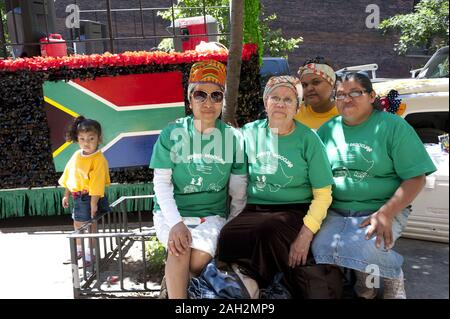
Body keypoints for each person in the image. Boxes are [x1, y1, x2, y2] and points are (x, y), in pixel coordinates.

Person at [311, 72, 437, 299]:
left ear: (371, 96)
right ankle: (364, 286)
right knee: (320, 249)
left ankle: (392, 277)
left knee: (366, 246)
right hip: (336, 210)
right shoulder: (328, 130)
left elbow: (417, 178)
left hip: (382, 208)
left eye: (355, 92)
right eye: (340, 95)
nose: (346, 99)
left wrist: (386, 213)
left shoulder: (393, 127)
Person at [217, 76, 339, 298]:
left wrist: (305, 235)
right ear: (265, 103)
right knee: (227, 236)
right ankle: (254, 285)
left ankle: (276, 288)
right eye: (275, 97)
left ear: (297, 107)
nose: (281, 104)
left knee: (270, 232)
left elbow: (323, 195)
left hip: (296, 210)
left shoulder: (308, 139)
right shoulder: (250, 133)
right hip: (255, 208)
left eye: (288, 99)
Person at [149, 60, 247, 299]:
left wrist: (231, 226)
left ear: (222, 101)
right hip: (172, 211)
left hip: (211, 214)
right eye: (200, 94)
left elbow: (239, 190)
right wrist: (175, 223)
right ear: (190, 99)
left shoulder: (233, 138)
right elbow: (161, 184)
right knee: (180, 247)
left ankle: (172, 283)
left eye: (216, 95)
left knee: (197, 258)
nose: (208, 102)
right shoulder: (172, 134)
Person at [59, 116, 111, 264]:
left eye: (91, 138)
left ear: (99, 139)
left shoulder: (98, 159)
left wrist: (94, 203)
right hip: (77, 197)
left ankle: (91, 253)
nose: (86, 143)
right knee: (77, 223)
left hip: (90, 197)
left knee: (90, 226)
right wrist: (66, 195)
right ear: (77, 139)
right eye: (82, 139)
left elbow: (97, 183)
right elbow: (70, 175)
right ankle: (80, 250)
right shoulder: (76, 155)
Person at [294, 57, 339, 130]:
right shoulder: (293, 113)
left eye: (316, 82)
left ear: (333, 85)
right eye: (304, 85)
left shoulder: (345, 115)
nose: (309, 88)